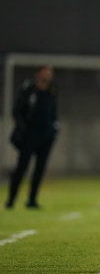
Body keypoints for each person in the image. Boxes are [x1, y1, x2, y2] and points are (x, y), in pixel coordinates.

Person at [6, 65, 58, 209]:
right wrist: (23, 129)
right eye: (45, 72)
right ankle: (11, 200)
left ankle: (32, 200)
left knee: (39, 170)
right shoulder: (28, 90)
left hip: (46, 136)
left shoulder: (52, 91)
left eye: (50, 73)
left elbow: (53, 113)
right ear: (38, 74)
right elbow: (17, 111)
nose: (48, 75)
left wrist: (54, 130)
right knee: (21, 168)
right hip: (29, 136)